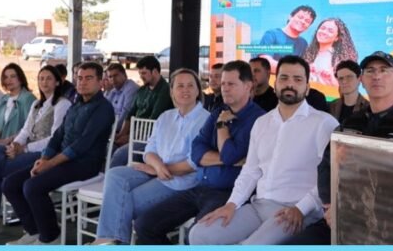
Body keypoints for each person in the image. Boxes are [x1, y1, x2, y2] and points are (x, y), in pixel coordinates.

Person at [283, 51, 393, 245]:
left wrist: (354, 158)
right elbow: (326, 165)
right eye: (370, 71)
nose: (376, 76)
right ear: (362, 80)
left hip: (392, 221)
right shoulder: (351, 122)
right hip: (344, 213)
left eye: (384, 70)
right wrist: (330, 206)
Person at [188, 55, 338, 245]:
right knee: (199, 234)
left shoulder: (324, 123)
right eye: (284, 78)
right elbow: (251, 170)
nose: (290, 84)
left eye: (297, 79)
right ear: (275, 85)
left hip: (297, 211)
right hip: (259, 206)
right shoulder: (262, 122)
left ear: (307, 87)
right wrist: (231, 204)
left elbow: (330, 179)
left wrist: (301, 208)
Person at [133, 60, 266, 244]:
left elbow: (228, 154)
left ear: (248, 86)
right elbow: (197, 152)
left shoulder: (258, 120)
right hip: (199, 187)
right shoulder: (218, 111)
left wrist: (221, 127)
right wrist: (225, 156)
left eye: (231, 84)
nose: (225, 88)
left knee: (194, 235)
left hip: (227, 192)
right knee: (144, 225)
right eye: (223, 83)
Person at [91, 68, 210, 245]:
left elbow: (195, 162)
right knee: (115, 174)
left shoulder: (206, 120)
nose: (185, 90)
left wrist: (162, 169)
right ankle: (109, 240)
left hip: (178, 180)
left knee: (125, 201)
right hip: (156, 170)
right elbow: (149, 149)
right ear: (172, 91)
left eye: (190, 85)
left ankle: (109, 242)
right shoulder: (166, 117)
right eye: (180, 86)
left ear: (198, 90)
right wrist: (157, 166)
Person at [3, 61, 115, 245]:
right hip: (60, 160)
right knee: (10, 184)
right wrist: (44, 158)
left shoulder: (103, 108)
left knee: (33, 187)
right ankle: (34, 231)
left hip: (85, 164)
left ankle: (50, 238)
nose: (82, 82)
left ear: (100, 81)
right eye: (79, 78)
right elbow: (57, 136)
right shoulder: (76, 104)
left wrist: (50, 163)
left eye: (88, 78)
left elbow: (82, 145)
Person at [0, 66, 72, 232]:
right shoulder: (38, 104)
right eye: (41, 78)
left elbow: (54, 139)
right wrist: (15, 145)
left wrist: (23, 148)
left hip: (45, 154)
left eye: (48, 78)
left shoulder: (62, 104)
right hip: (25, 148)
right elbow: (25, 130)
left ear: (58, 82)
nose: (44, 82)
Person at [111, 55, 173, 167]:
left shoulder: (165, 91)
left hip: (151, 140)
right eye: (140, 74)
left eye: (144, 73)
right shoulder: (143, 90)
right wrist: (121, 135)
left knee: (119, 155)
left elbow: (153, 120)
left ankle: (111, 181)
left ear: (154, 71)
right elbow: (130, 114)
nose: (141, 77)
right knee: (110, 147)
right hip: (135, 135)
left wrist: (129, 137)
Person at [303, 17, 358, 87]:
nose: (324, 32)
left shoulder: (340, 59)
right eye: (322, 28)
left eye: (330, 31)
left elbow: (348, 86)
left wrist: (331, 78)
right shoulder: (308, 53)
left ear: (337, 38)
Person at [104, 63, 139, 130]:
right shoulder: (113, 91)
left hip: (123, 131)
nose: (113, 79)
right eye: (110, 77)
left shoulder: (131, 89)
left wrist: (110, 131)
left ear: (125, 75)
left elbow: (125, 115)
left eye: (116, 75)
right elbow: (103, 110)